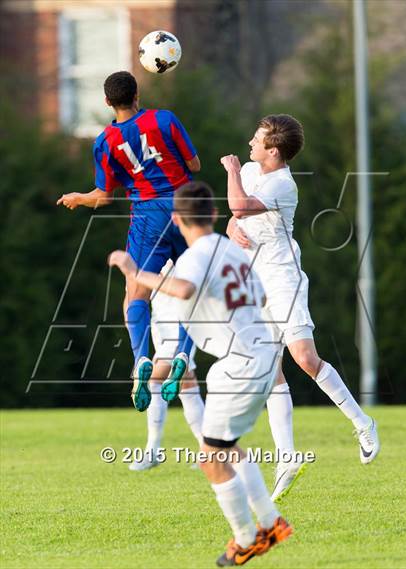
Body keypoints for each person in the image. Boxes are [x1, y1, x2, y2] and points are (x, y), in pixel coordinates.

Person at [109, 181, 293, 566]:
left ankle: (247, 539)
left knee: (211, 457)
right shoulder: (232, 250)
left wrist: (134, 272)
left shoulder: (196, 255)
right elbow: (258, 297)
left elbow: (183, 286)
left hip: (238, 364)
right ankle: (272, 523)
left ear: (176, 220)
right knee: (226, 448)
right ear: (213, 214)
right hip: (261, 357)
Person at [221, 114, 380, 502]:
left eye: (256, 140)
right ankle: (288, 457)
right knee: (268, 370)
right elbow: (235, 217)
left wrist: (231, 171)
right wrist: (230, 228)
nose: (249, 144)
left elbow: (239, 205)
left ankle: (363, 423)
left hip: (282, 280)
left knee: (305, 359)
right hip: (256, 282)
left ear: (273, 151)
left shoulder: (282, 183)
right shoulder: (259, 171)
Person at [57, 71, 200, 413]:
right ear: (137, 94)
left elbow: (104, 197)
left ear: (107, 102)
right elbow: (194, 163)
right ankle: (183, 351)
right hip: (185, 207)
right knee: (196, 286)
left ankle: (141, 358)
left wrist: (80, 197)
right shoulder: (164, 120)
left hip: (148, 216)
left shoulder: (105, 141)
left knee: (136, 292)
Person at [130, 261, 204, 472]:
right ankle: (210, 451)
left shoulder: (178, 245)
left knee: (155, 377)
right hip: (159, 320)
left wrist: (143, 277)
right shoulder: (148, 244)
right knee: (186, 383)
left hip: (180, 320)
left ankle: (153, 450)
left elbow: (184, 286)